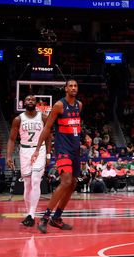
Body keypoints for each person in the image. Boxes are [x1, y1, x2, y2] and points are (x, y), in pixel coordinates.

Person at [31, 79, 91, 233]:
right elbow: (47, 128)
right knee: (65, 181)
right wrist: (38, 149)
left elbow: (76, 124)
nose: (73, 88)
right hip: (63, 149)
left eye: (75, 85)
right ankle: (45, 218)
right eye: (70, 86)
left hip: (75, 150)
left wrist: (85, 137)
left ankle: (56, 218)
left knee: (72, 184)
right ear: (65, 89)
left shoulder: (79, 105)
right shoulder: (59, 105)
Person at [6, 95, 51, 227]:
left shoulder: (42, 117)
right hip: (24, 151)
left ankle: (31, 214)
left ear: (36, 103)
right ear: (23, 103)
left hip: (39, 150)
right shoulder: (18, 119)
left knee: (36, 180)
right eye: (27, 100)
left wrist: (48, 154)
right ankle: (29, 214)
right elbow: (12, 139)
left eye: (32, 100)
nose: (30, 101)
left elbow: (49, 137)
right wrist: (8, 156)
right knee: (27, 184)